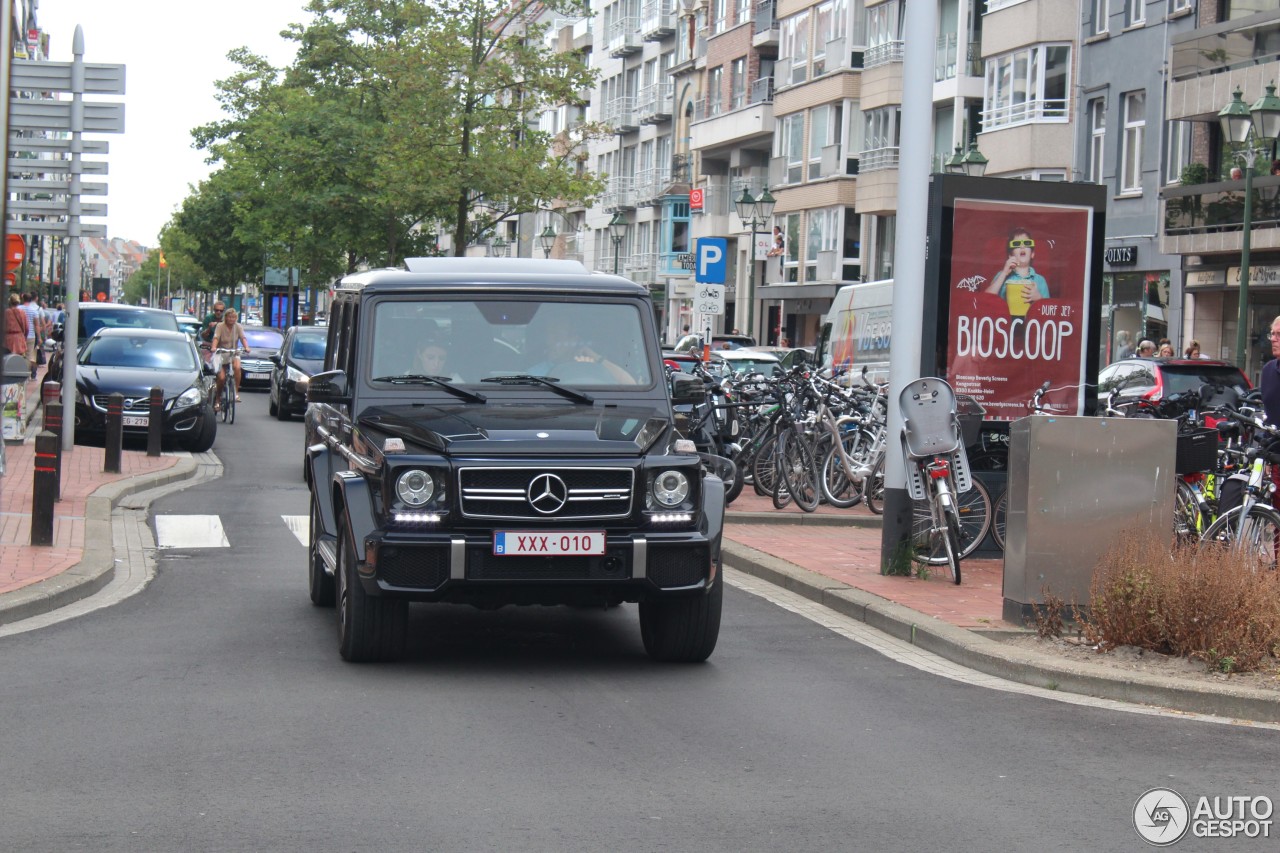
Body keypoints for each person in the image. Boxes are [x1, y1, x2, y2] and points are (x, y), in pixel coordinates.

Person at [528, 314, 634, 383]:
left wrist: (594, 356)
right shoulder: (535, 373)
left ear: (574, 339)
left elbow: (630, 384)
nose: (550, 342)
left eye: (557, 336)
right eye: (549, 335)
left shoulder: (593, 369)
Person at [984, 227, 1050, 317]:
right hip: (1006, 326)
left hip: (1029, 327)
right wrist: (1004, 273)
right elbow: (985, 300)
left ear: (1032, 254)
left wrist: (1038, 299)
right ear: (1010, 255)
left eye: (1027, 243)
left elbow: (1048, 313)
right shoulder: (1002, 275)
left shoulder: (1040, 280)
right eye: (1017, 244)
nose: (1022, 246)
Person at [210, 307, 250, 409]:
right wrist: (214, 347)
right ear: (226, 317)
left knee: (237, 367)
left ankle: (236, 392)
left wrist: (246, 347)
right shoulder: (220, 326)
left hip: (233, 352)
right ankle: (218, 400)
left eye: (234, 317)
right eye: (230, 317)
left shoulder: (238, 327)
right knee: (222, 378)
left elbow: (243, 338)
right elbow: (216, 337)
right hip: (221, 352)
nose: (232, 319)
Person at [4, 293, 28, 359]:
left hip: (8, 339)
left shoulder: (6, 312)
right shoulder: (22, 312)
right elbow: (26, 327)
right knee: (19, 359)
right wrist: (24, 337)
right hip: (19, 338)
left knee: (7, 359)